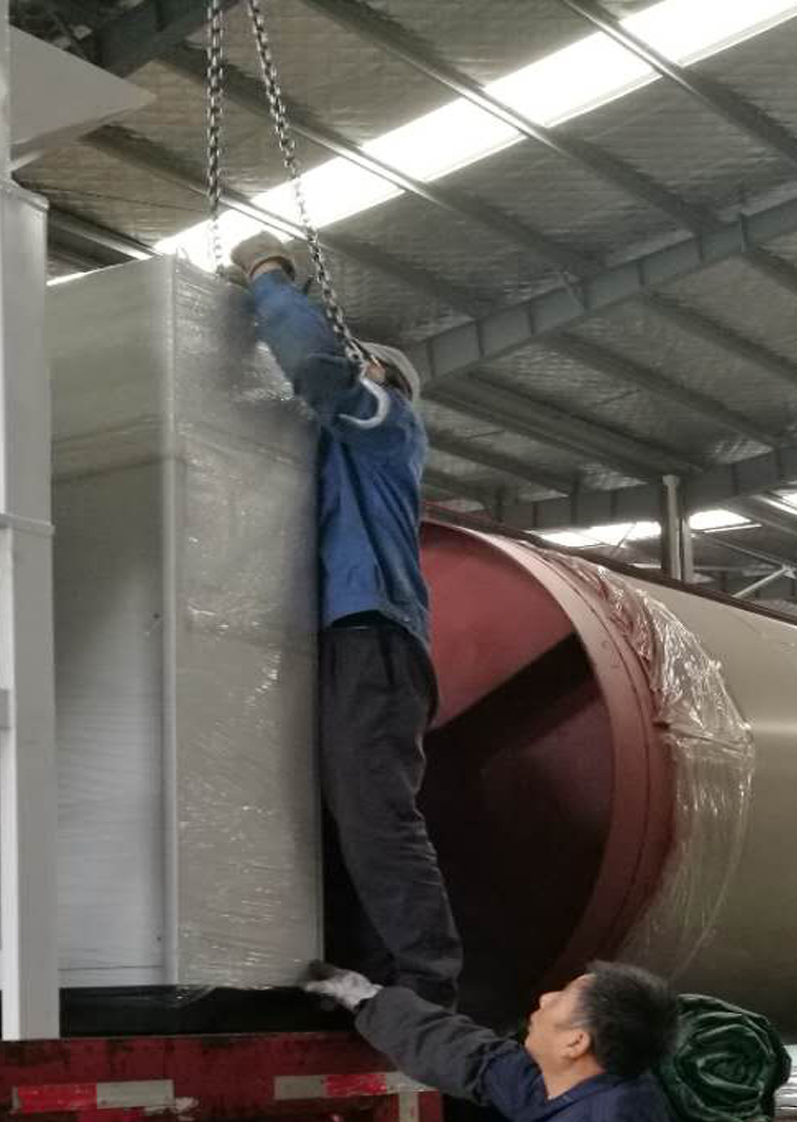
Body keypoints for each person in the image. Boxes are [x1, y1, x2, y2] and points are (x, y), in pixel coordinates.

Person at [231, 231, 461, 1008]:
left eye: (360, 361)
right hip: (340, 639)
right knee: (336, 816)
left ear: (386, 379)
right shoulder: (333, 458)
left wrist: (269, 280)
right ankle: (362, 979)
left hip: (374, 636)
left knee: (373, 812)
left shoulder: (386, 422)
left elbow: (319, 373)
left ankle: (426, 984)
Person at [306, 960, 677, 1122]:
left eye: (561, 996)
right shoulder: (576, 1081)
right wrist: (367, 997)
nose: (545, 998)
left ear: (575, 1043)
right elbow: (478, 1060)